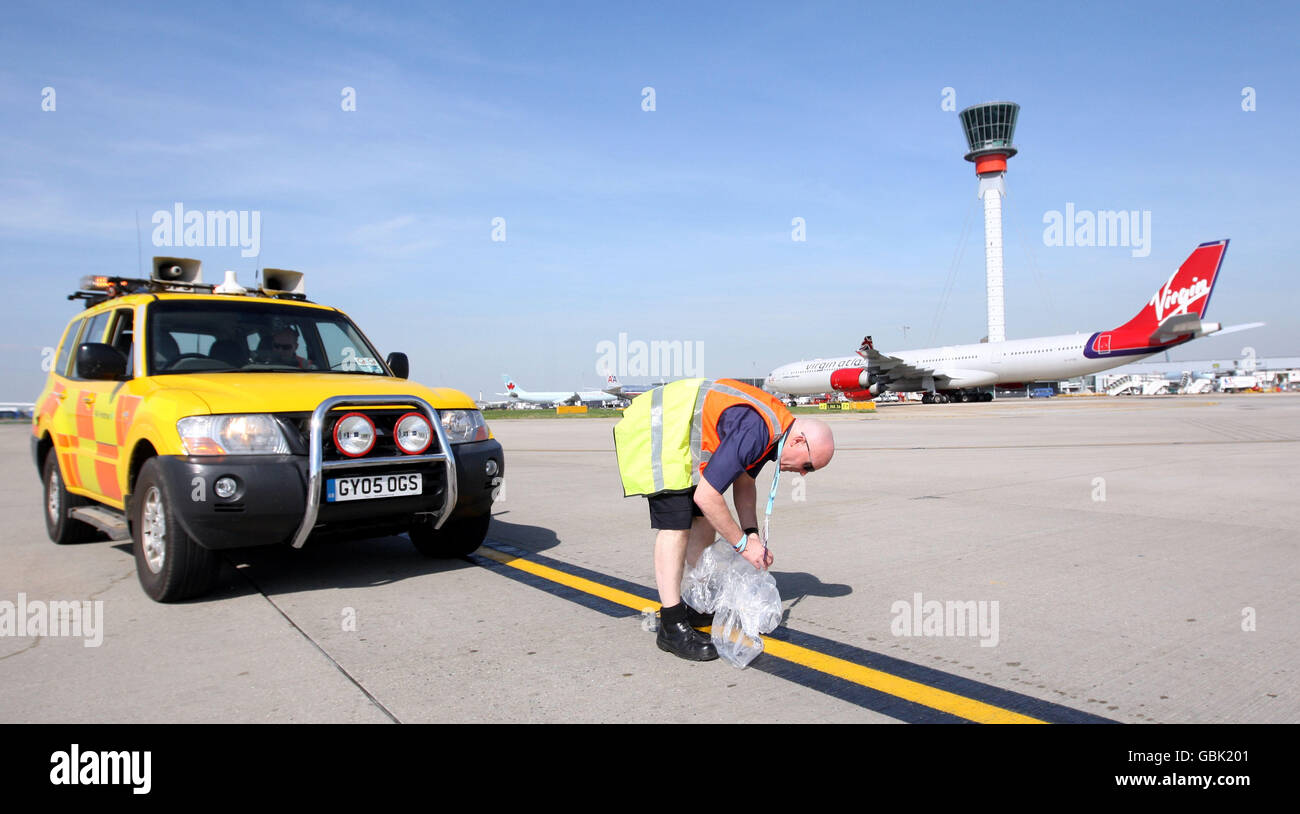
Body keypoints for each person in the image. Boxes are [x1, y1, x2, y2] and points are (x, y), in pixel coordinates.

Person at [613, 378, 834, 661]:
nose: (803, 474)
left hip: (679, 434)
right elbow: (707, 495)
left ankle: (697, 603)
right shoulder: (759, 429)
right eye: (808, 466)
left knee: (704, 520)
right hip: (659, 427)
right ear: (800, 441)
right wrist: (742, 545)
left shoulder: (775, 429)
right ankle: (671, 624)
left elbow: (744, 482)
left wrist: (751, 532)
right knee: (676, 525)